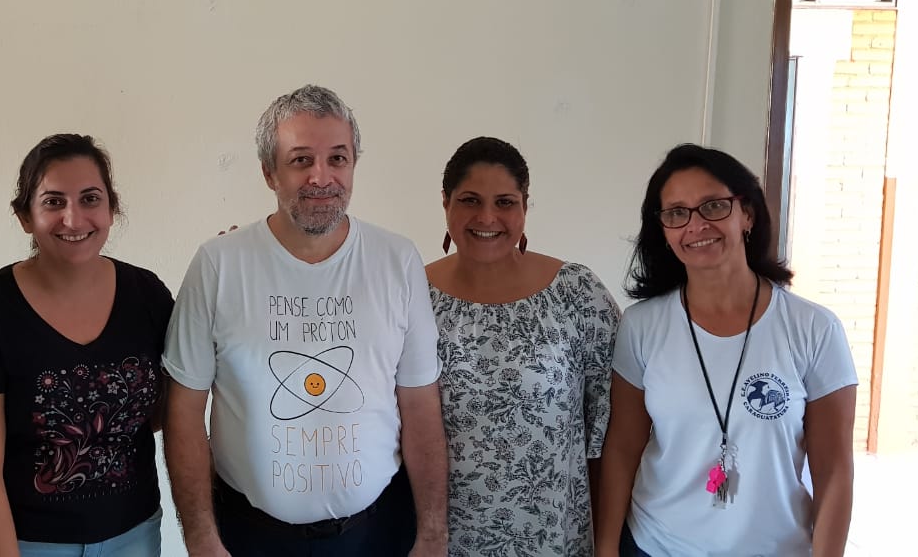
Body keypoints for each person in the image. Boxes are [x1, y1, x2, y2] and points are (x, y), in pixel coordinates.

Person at [163, 84, 449, 556]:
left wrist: (433, 535)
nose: (322, 177)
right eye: (300, 160)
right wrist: (200, 539)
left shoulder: (397, 260)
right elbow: (184, 411)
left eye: (338, 158)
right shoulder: (219, 264)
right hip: (251, 537)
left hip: (378, 533)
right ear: (268, 173)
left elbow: (419, 403)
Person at [595, 144, 857, 556]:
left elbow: (834, 468)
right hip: (656, 545)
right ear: (663, 230)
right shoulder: (641, 325)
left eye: (713, 206)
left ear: (747, 214)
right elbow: (622, 449)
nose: (695, 225)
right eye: (676, 213)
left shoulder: (814, 329)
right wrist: (606, 548)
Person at [0, 134, 171, 557]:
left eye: (90, 198)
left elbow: (162, 411)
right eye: (53, 202)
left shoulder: (148, 294)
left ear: (111, 208)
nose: (74, 218)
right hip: (27, 543)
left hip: (136, 535)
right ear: (25, 216)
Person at [425, 137, 620, 556]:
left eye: (505, 202)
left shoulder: (577, 293)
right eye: (470, 200)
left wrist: (608, 542)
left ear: (525, 206)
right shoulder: (412, 296)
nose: (488, 217)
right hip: (444, 539)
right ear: (445, 203)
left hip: (553, 535)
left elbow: (611, 428)